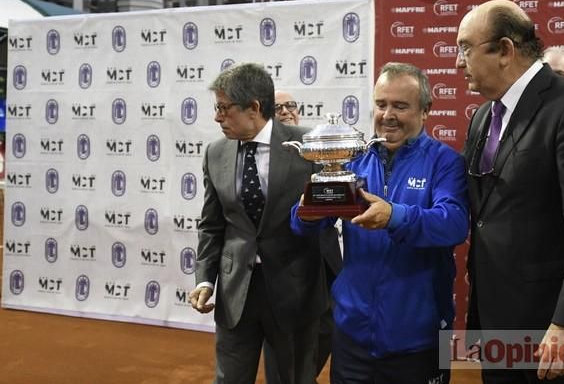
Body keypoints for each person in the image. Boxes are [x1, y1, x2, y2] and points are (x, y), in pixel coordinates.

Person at [457, 0, 564, 383]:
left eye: (466, 47)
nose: (457, 61)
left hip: (554, 330)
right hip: (499, 324)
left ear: (504, 51)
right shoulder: (484, 115)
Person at [291, 62, 469, 384]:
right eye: (381, 104)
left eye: (400, 106)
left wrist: (394, 216)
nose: (388, 115)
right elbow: (306, 226)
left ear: (425, 110)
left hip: (420, 339)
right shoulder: (352, 161)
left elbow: (453, 224)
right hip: (352, 335)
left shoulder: (445, 162)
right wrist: (305, 214)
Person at [188, 63, 327, 384]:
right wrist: (205, 280)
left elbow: (326, 218)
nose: (217, 117)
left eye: (224, 108)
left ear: (253, 108)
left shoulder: (308, 144)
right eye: (216, 108)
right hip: (236, 293)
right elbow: (211, 225)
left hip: (295, 292)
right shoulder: (215, 153)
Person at [263, 90, 342, 384]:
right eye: (277, 108)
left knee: (327, 329)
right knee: (283, 344)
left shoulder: (316, 147)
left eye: (290, 105)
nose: (286, 111)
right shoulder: (261, 159)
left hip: (325, 260)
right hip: (284, 264)